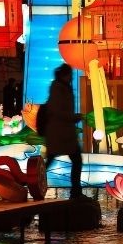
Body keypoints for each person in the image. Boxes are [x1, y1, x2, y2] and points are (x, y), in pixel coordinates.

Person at [43, 63, 86, 200]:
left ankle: (30, 181)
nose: (71, 78)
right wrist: (74, 117)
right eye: (70, 75)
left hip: (62, 133)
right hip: (60, 133)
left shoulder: (61, 87)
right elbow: (57, 111)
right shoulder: (58, 89)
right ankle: (75, 192)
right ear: (64, 75)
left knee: (52, 160)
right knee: (76, 160)